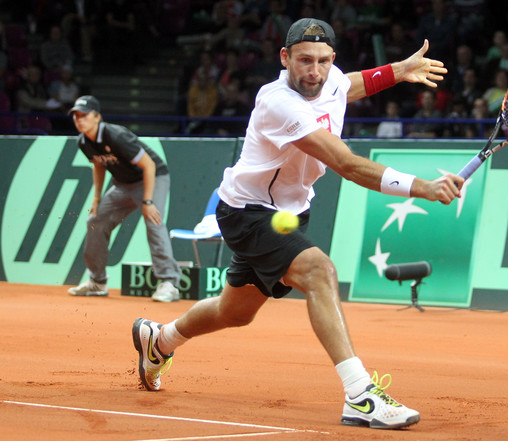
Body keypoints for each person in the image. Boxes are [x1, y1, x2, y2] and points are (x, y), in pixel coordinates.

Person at [132, 18, 462, 430]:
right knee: (319, 270)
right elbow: (345, 163)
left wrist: (399, 70)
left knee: (235, 312)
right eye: (305, 60)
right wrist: (421, 187)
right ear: (285, 58)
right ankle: (359, 394)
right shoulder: (277, 102)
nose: (315, 71)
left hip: (289, 213)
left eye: (324, 61)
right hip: (248, 212)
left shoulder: (331, 78)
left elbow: (349, 85)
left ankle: (159, 340)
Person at [67, 95, 182, 302]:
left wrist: (147, 201)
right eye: (76, 116)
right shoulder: (83, 141)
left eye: (84, 115)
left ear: (97, 117)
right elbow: (99, 164)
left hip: (152, 178)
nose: (79, 120)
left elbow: (149, 165)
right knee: (95, 221)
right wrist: (96, 198)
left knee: (153, 221)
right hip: (122, 185)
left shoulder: (116, 135)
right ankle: (97, 282)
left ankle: (169, 283)